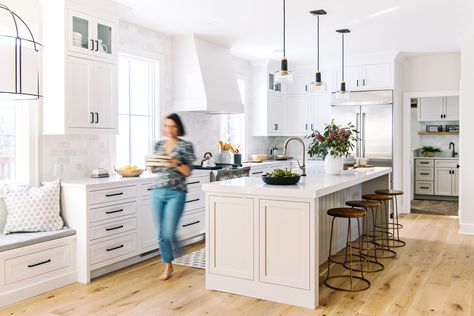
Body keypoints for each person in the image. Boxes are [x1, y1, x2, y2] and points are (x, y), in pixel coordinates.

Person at [147, 113, 196, 280]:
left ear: (179, 128)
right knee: (161, 233)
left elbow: (188, 172)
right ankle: (168, 266)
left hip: (177, 192)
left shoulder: (185, 146)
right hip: (158, 191)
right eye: (167, 126)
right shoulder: (159, 145)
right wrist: (151, 165)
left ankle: (178, 248)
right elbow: (152, 169)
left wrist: (176, 163)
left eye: (173, 126)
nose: (170, 129)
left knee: (168, 232)